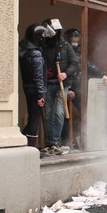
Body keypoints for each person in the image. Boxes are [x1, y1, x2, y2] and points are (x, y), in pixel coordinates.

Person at [61, 28, 107, 149]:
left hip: (78, 87)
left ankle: (82, 138)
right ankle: (65, 141)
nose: (75, 40)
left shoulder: (79, 54)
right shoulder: (63, 52)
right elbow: (63, 71)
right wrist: (68, 88)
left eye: (77, 37)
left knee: (85, 113)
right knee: (63, 116)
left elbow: (88, 65)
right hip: (66, 87)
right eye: (73, 37)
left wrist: (102, 74)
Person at [40, 18, 79, 156]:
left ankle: (55, 141)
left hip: (62, 85)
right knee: (48, 114)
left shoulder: (65, 46)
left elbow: (74, 63)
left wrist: (65, 74)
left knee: (59, 113)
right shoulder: (43, 45)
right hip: (47, 83)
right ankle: (49, 143)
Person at [18, 24, 47, 149]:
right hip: (35, 89)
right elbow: (38, 75)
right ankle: (30, 146)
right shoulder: (36, 54)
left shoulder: (23, 51)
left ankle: (24, 143)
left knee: (33, 118)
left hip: (27, 87)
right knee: (34, 119)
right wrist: (41, 94)